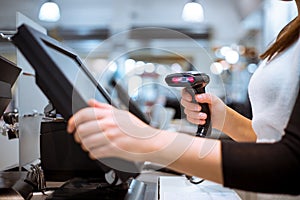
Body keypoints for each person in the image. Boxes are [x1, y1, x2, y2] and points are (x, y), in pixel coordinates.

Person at [67, 0, 300, 195]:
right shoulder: (291, 32)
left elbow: (291, 164)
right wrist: (224, 118)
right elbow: (271, 139)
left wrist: (150, 140)